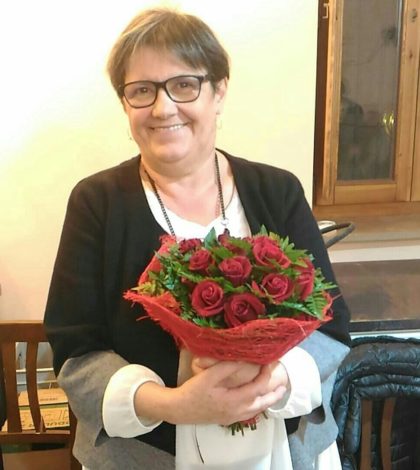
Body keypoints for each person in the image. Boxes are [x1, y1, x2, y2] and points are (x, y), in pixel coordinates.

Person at [44, 7, 351, 470]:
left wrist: (271, 381)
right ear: (126, 103)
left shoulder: (277, 190)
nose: (163, 107)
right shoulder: (96, 202)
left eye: (183, 84)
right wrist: (174, 404)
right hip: (146, 454)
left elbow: (329, 323)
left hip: (281, 451)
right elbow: (76, 352)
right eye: (142, 90)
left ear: (219, 91)